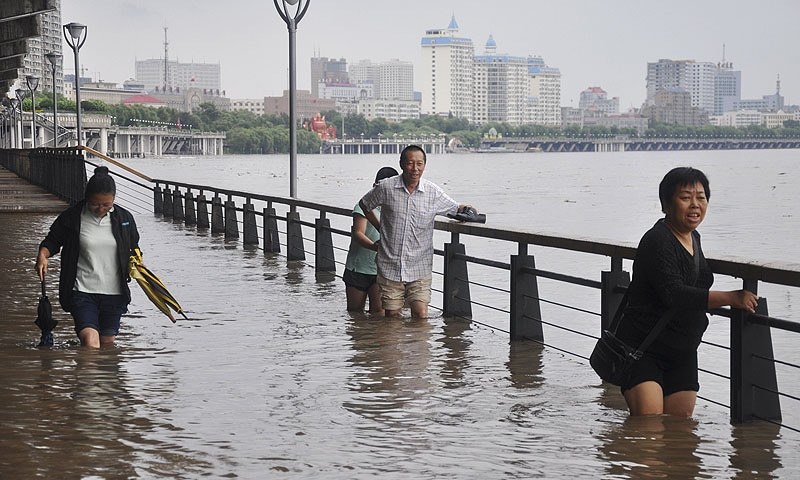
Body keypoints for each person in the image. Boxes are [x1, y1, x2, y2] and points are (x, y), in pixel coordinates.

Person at [616, 167, 758, 417]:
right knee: (648, 432)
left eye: (701, 198)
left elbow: (694, 286)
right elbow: (675, 294)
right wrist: (731, 298)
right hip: (644, 349)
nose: (695, 205)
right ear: (666, 204)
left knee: (680, 435)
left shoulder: (694, 238)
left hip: (682, 352)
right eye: (685, 197)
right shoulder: (657, 240)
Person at [359, 145, 475, 318]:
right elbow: (365, 205)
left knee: (421, 315)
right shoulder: (386, 188)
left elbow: (455, 207)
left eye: (419, 164)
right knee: (392, 316)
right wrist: (381, 227)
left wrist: (469, 209)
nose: (415, 169)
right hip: (390, 263)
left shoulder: (432, 192)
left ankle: (418, 345)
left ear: (424, 165)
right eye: (410, 163)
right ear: (401, 164)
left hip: (420, 264)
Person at [35, 166, 140, 348]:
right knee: (91, 342)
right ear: (86, 198)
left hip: (115, 294)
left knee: (108, 345)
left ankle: (97, 377)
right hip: (82, 291)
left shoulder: (125, 219)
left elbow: (134, 248)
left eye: (107, 205)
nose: (100, 209)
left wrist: (140, 266)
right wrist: (42, 255)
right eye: (95, 204)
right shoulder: (72, 218)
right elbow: (52, 241)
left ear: (113, 199)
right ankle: (86, 376)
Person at [344, 166, 398, 314]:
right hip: (358, 267)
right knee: (355, 313)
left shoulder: (396, 209)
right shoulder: (364, 206)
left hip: (382, 270)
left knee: (379, 314)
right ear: (375, 186)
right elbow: (358, 233)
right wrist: (376, 247)